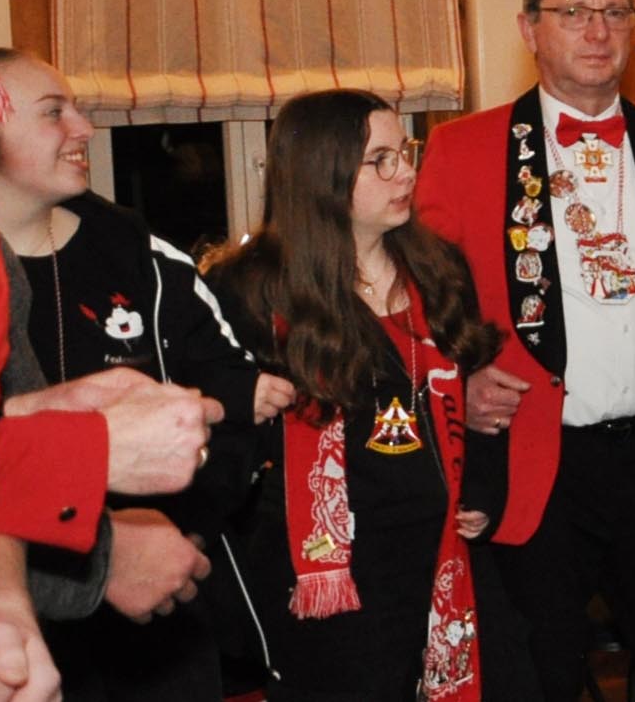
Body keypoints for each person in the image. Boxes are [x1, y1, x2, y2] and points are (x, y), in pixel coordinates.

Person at [417, 0, 635, 702]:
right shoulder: (461, 150)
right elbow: (420, 304)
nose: (598, 31)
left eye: (613, 12)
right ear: (529, 29)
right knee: (538, 681)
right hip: (537, 462)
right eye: (573, 13)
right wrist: (460, 380)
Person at [0, 46, 277, 702]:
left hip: (156, 632)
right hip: (19, 633)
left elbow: (233, 406)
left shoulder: (138, 255)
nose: (85, 127)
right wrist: (103, 556)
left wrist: (178, 535)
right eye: (53, 112)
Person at [201, 89, 530, 701]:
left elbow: (476, 398)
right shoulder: (249, 288)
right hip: (330, 573)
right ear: (322, 173)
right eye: (380, 160)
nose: (405, 172)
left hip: (441, 552)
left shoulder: (438, 269)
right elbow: (224, 437)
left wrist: (484, 493)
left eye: (405, 151)